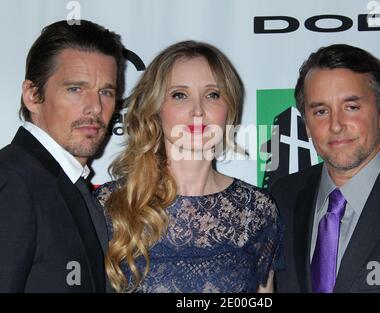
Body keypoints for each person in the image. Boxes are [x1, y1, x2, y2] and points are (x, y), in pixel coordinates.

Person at [94, 40, 283, 293]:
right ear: (155, 108)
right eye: (179, 95)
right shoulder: (110, 205)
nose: (198, 111)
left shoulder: (255, 209)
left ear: (230, 108)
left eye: (212, 95)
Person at [271, 44, 380, 293]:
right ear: (307, 125)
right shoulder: (282, 198)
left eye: (351, 107)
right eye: (321, 111)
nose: (336, 125)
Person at [0, 20, 125, 292]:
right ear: (33, 96)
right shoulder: (12, 181)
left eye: (106, 91)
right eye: (75, 89)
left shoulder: (69, 185)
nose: (95, 107)